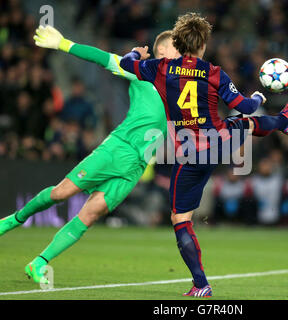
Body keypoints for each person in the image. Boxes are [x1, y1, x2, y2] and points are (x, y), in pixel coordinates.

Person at [120, 12, 288, 297]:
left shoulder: (160, 68)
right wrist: (257, 98)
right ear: (203, 45)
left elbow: (127, 64)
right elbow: (247, 107)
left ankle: (201, 285)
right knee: (244, 122)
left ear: (177, 42)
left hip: (188, 154)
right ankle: (283, 120)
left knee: (181, 220)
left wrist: (136, 52)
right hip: (218, 145)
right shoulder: (214, 73)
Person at [0, 26, 179, 284]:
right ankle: (14, 220)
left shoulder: (181, 86)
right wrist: (63, 44)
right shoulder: (142, 72)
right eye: (177, 45)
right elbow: (102, 58)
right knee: (62, 193)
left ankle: (39, 262)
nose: (183, 50)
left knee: (90, 215)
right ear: (161, 50)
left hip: (136, 167)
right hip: (118, 149)